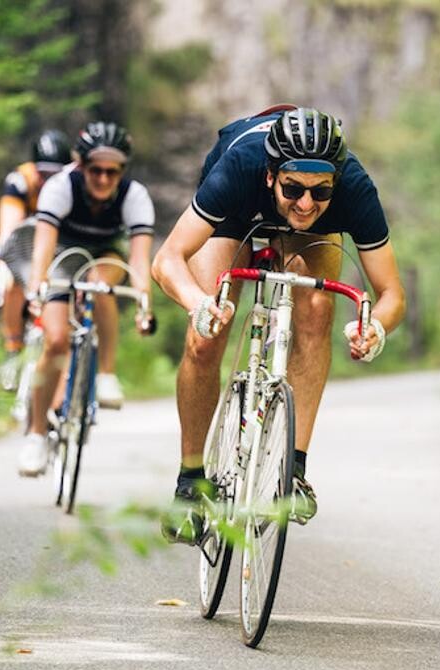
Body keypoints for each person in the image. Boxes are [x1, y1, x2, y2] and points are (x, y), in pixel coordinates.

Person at [150, 106, 406, 543]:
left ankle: (293, 472)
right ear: (272, 175)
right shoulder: (240, 168)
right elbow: (166, 260)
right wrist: (198, 306)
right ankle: (191, 483)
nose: (306, 203)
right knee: (208, 328)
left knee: (316, 310)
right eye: (293, 188)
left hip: (312, 235)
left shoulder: (355, 189)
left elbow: (391, 295)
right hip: (236, 214)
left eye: (320, 191)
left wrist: (375, 328)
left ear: (335, 183)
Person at [18, 121, 157, 477]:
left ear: (122, 170)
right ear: (80, 165)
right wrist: (37, 286)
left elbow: (140, 260)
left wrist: (144, 306)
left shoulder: (134, 195)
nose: (104, 179)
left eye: (113, 172)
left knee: (99, 283)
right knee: (56, 342)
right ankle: (35, 434)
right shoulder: (61, 187)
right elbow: (44, 247)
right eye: (96, 170)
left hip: (104, 256)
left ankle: (106, 374)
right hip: (64, 254)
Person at [0, 129, 73, 391]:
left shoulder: (73, 184)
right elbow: (9, 232)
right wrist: (2, 267)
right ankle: (13, 348)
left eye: (54, 175)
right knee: (11, 283)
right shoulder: (19, 182)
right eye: (43, 174)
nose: (48, 181)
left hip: (61, 245)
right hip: (24, 245)